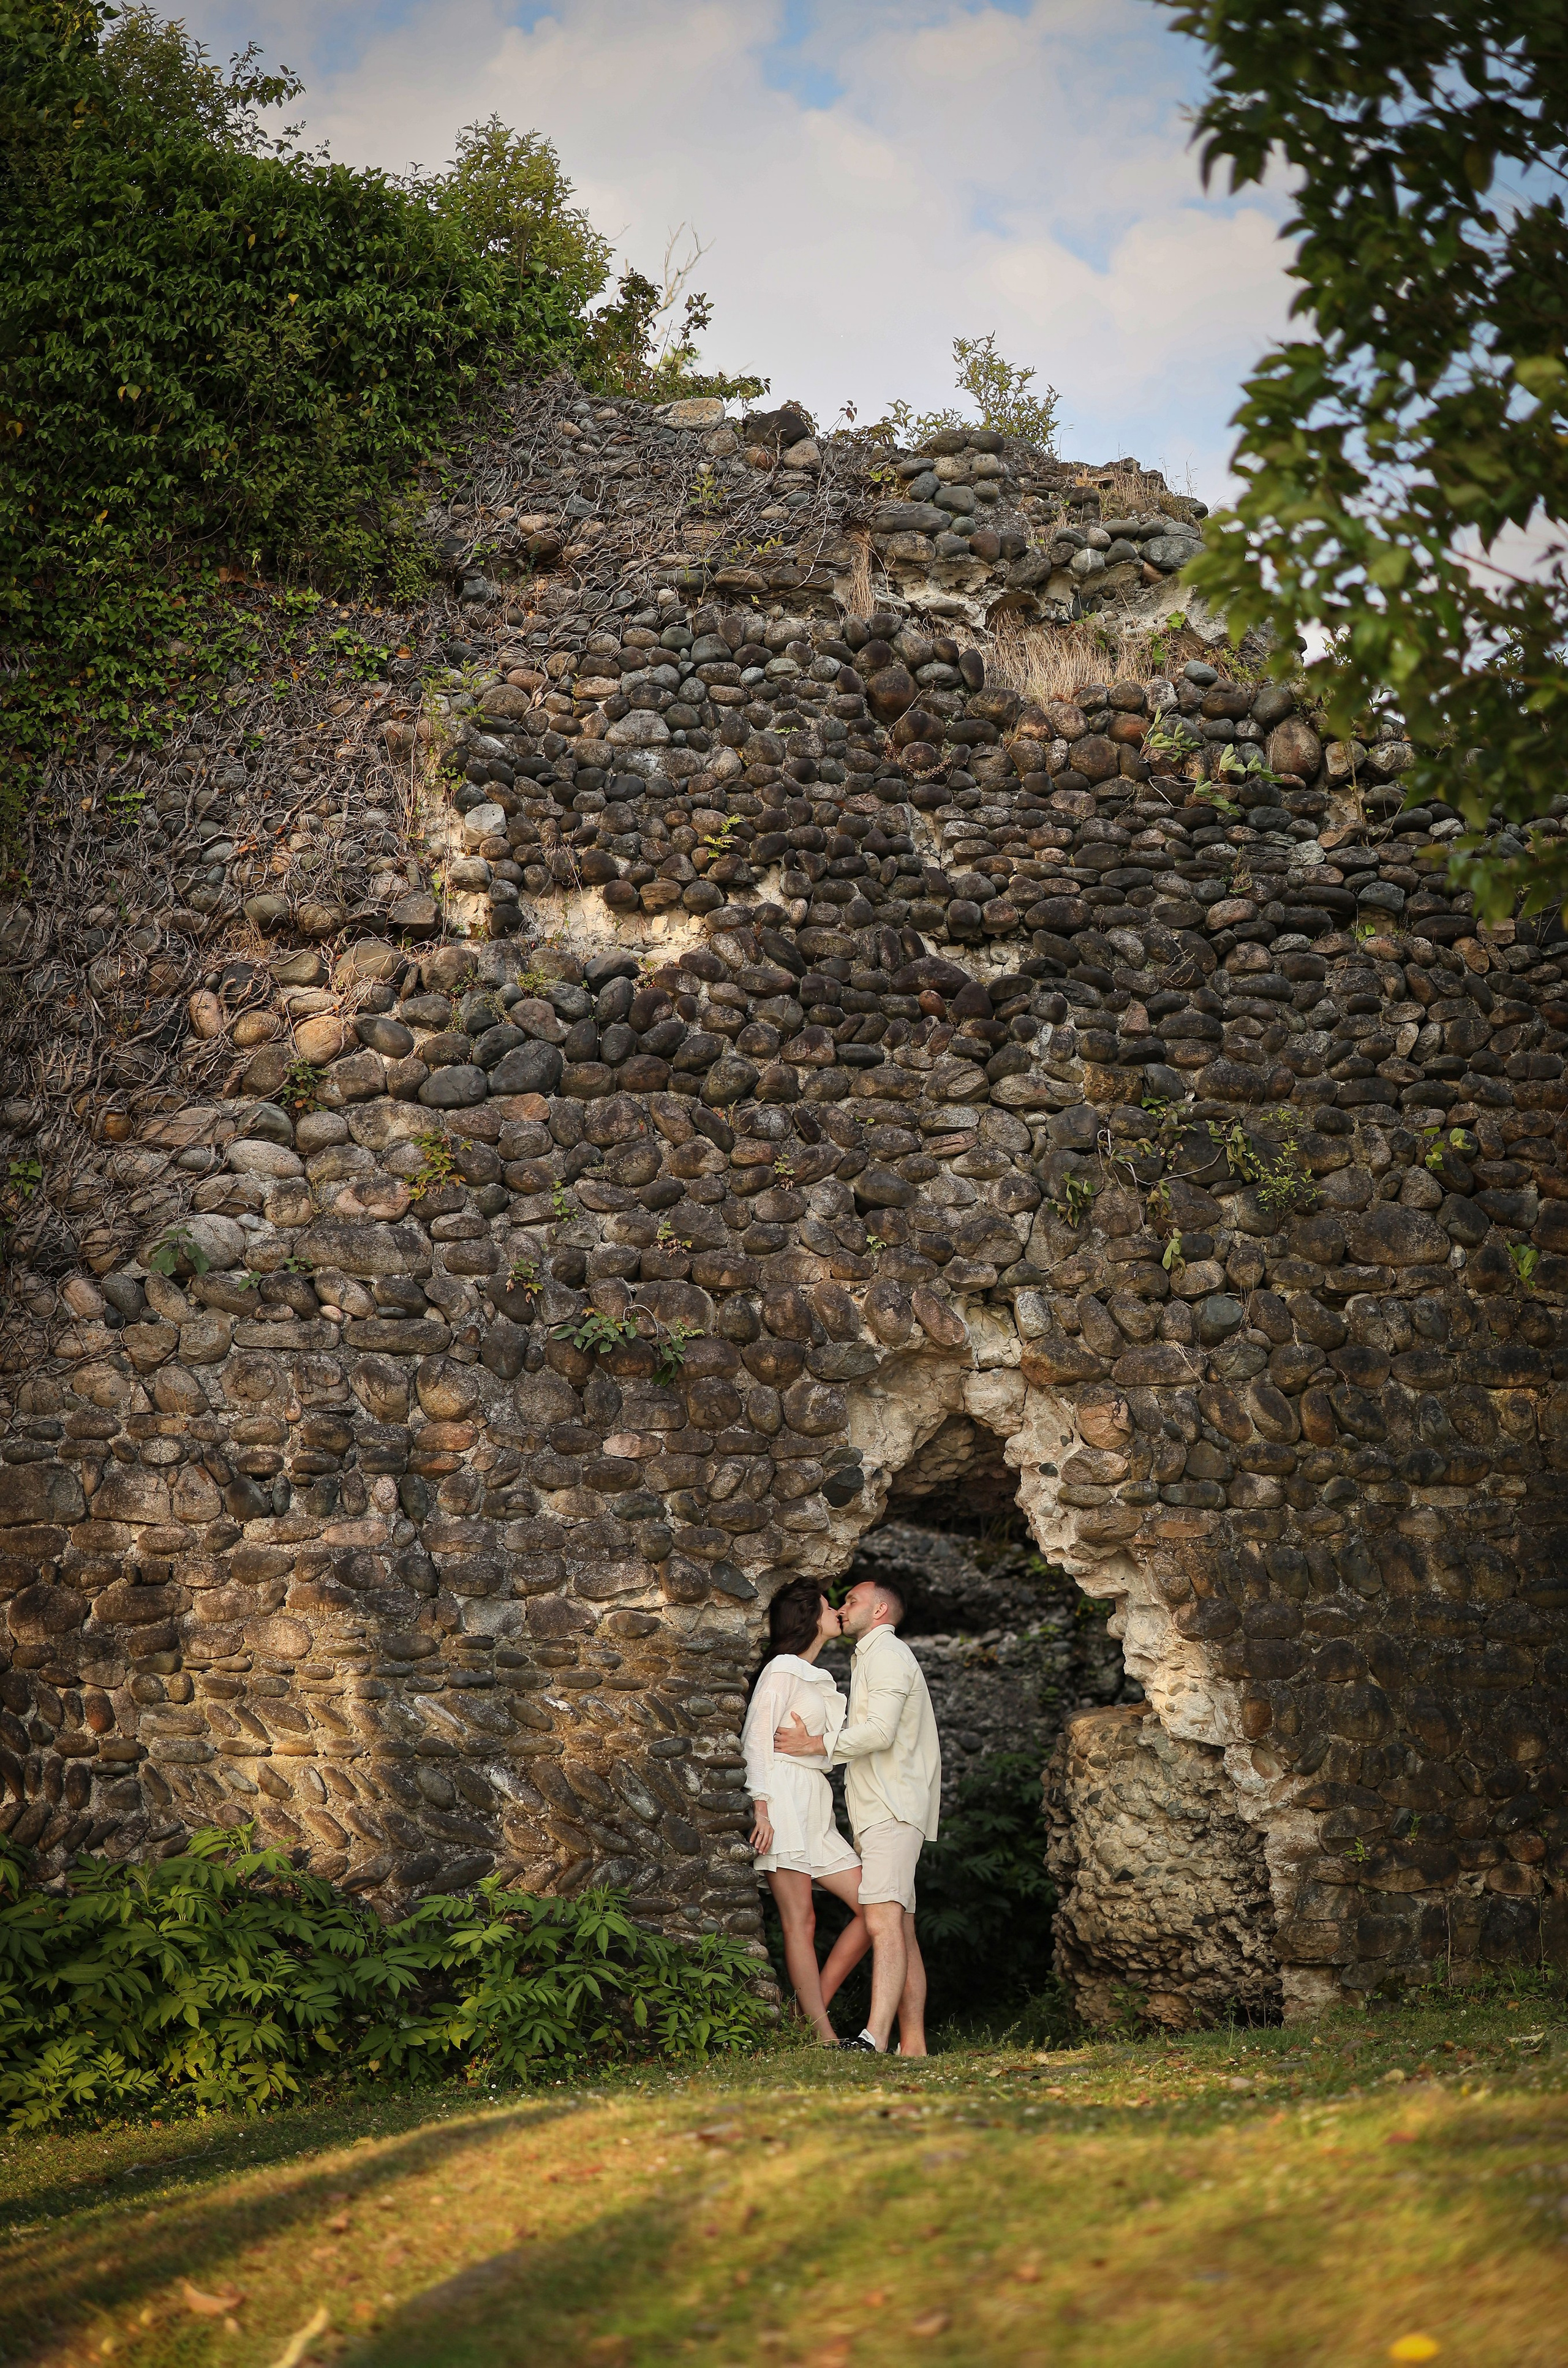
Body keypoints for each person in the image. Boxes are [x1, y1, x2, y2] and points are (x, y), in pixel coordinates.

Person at [774, 1575, 940, 2056]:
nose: (844, 1608)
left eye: (853, 1601)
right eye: (842, 1602)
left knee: (883, 1923)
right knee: (901, 1928)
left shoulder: (887, 1655)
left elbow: (881, 1732)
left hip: (892, 1808)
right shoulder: (870, 1657)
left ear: (880, 1612)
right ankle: (914, 2046)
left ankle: (874, 2038)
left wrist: (815, 1745)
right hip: (881, 1811)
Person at [741, 1577, 868, 2046]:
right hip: (784, 1800)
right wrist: (762, 1808)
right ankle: (822, 2035)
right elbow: (757, 1739)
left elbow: (830, 1752)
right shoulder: (782, 1670)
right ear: (809, 1618)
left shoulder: (815, 1674)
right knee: (802, 1921)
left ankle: (804, 2012)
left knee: (876, 1908)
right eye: (827, 1604)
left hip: (817, 1807)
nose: (837, 1610)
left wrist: (816, 1747)